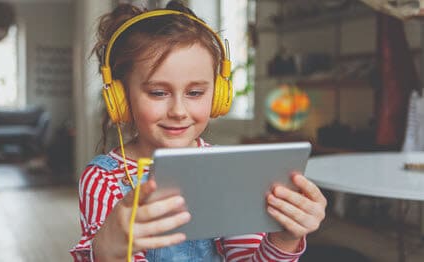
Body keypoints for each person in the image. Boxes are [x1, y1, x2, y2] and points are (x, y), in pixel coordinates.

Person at [70, 1, 327, 261]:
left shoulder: (229, 170)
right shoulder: (104, 179)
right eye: (158, 93)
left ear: (218, 97)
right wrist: (109, 248)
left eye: (195, 93)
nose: (178, 111)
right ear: (121, 99)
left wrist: (285, 238)